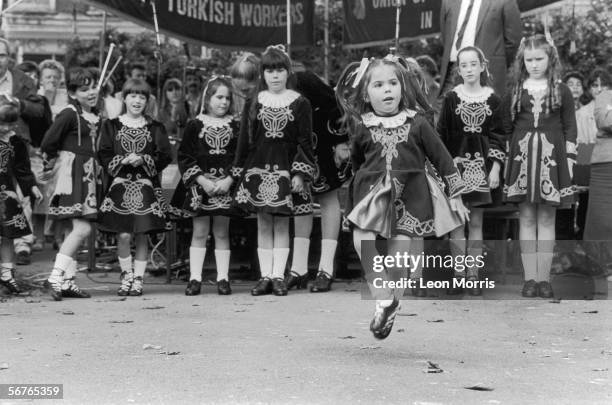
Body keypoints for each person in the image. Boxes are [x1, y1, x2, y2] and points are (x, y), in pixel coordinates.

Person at [339, 55, 468, 339]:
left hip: (410, 196)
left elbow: (442, 158)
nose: (387, 89)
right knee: (363, 240)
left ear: (403, 87)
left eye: (393, 83)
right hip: (371, 194)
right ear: (366, 93)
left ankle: (388, 307)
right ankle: (381, 294)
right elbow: (358, 161)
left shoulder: (418, 123)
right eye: (379, 84)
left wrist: (455, 192)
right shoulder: (362, 125)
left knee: (399, 261)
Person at [232, 45, 316, 297]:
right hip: (258, 169)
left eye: (280, 69)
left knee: (281, 225)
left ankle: (279, 276)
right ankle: (265, 276)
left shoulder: (300, 103)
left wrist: (300, 173)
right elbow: (244, 141)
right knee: (263, 223)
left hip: (285, 170)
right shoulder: (254, 102)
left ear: (287, 72)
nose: (275, 75)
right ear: (263, 74)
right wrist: (239, 173)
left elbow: (305, 141)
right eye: (269, 70)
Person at [502, 35, 577, 299]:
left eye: (539, 59)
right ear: (522, 61)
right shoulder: (515, 90)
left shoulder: (561, 90)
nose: (534, 64)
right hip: (522, 161)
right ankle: (529, 278)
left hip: (552, 162)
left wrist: (568, 161)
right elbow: (506, 129)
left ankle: (544, 279)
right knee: (527, 218)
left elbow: (570, 128)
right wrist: (504, 163)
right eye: (529, 59)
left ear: (550, 59)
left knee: (547, 218)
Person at [437, 46, 505, 296]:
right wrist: (445, 168)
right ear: (459, 69)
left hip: (483, 169)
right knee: (457, 222)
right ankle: (458, 275)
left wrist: (496, 168)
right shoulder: (451, 98)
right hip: (456, 168)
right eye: (463, 65)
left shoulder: (494, 99)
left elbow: (499, 136)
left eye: (473, 64)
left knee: (476, 221)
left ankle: (473, 276)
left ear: (482, 66)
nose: (468, 69)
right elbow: (441, 135)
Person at [98, 79, 171, 297]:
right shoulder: (111, 125)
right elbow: (103, 153)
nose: (137, 101)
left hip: (146, 187)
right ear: (125, 98)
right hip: (119, 187)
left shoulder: (155, 127)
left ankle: (138, 279)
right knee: (123, 235)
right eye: (133, 96)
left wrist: (144, 159)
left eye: (142, 97)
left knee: (141, 234)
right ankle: (126, 276)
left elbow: (165, 155)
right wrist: (122, 160)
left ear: (147, 101)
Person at [286, 66, 351, 293]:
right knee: (300, 204)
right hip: (296, 151)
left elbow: (335, 103)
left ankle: (326, 269)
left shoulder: (302, 78)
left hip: (321, 147)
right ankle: (298, 269)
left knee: (328, 200)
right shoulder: (265, 87)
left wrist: (341, 140)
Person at [42, 67, 102, 301]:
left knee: (71, 230)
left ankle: (68, 281)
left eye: (93, 87)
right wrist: (62, 161)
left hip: (89, 176)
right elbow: (48, 141)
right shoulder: (69, 113)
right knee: (83, 229)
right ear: (73, 92)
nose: (90, 93)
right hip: (73, 175)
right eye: (84, 89)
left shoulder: (96, 115)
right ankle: (55, 278)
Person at [176, 76, 238, 296]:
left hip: (225, 187)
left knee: (222, 232)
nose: (223, 102)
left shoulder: (235, 126)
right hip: (201, 188)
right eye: (219, 97)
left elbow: (240, 157)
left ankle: (223, 278)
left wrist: (229, 179)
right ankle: (195, 279)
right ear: (208, 98)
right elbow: (184, 156)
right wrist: (201, 180)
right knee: (200, 231)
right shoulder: (195, 124)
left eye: (227, 98)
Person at [0, 38, 50, 265]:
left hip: (18, 143)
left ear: (9, 57)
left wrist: (19, 105)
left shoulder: (24, 80)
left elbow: (40, 110)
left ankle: (22, 244)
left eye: (2, 55)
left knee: (22, 194)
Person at [437, 0, 522, 110]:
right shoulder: (448, 2)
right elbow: (446, 38)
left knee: (482, 122)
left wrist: (491, 65)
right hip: (453, 73)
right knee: (446, 121)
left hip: (486, 75)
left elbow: (513, 41)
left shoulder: (504, 2)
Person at [0, 96, 43, 294]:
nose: (6, 128)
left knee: (8, 235)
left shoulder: (16, 142)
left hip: (7, 195)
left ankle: (7, 275)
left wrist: (32, 187)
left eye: (10, 124)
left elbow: (23, 169)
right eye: (2, 124)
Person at [157, 78, 190, 159]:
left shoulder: (189, 108)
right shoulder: (161, 112)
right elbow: (162, 133)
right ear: (165, 93)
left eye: (177, 89)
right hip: (169, 152)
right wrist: (173, 117)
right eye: (170, 90)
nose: (174, 92)